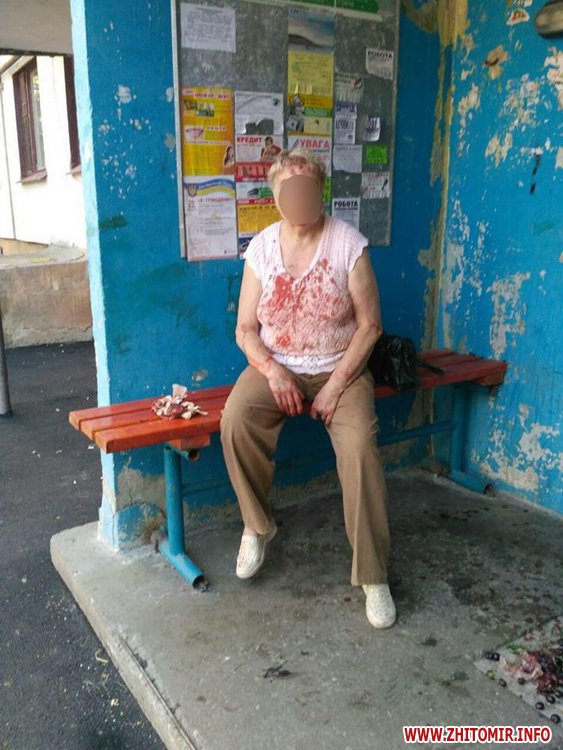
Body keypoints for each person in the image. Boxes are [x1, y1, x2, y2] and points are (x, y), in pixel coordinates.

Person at [219, 147, 396, 629]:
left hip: (341, 367)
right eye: (288, 189)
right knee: (236, 420)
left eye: (307, 187)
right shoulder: (261, 249)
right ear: (276, 196)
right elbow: (244, 329)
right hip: (278, 365)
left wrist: (335, 387)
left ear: (321, 191)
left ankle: (373, 574)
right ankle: (257, 526)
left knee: (360, 448)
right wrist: (272, 371)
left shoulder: (347, 244)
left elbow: (370, 326)